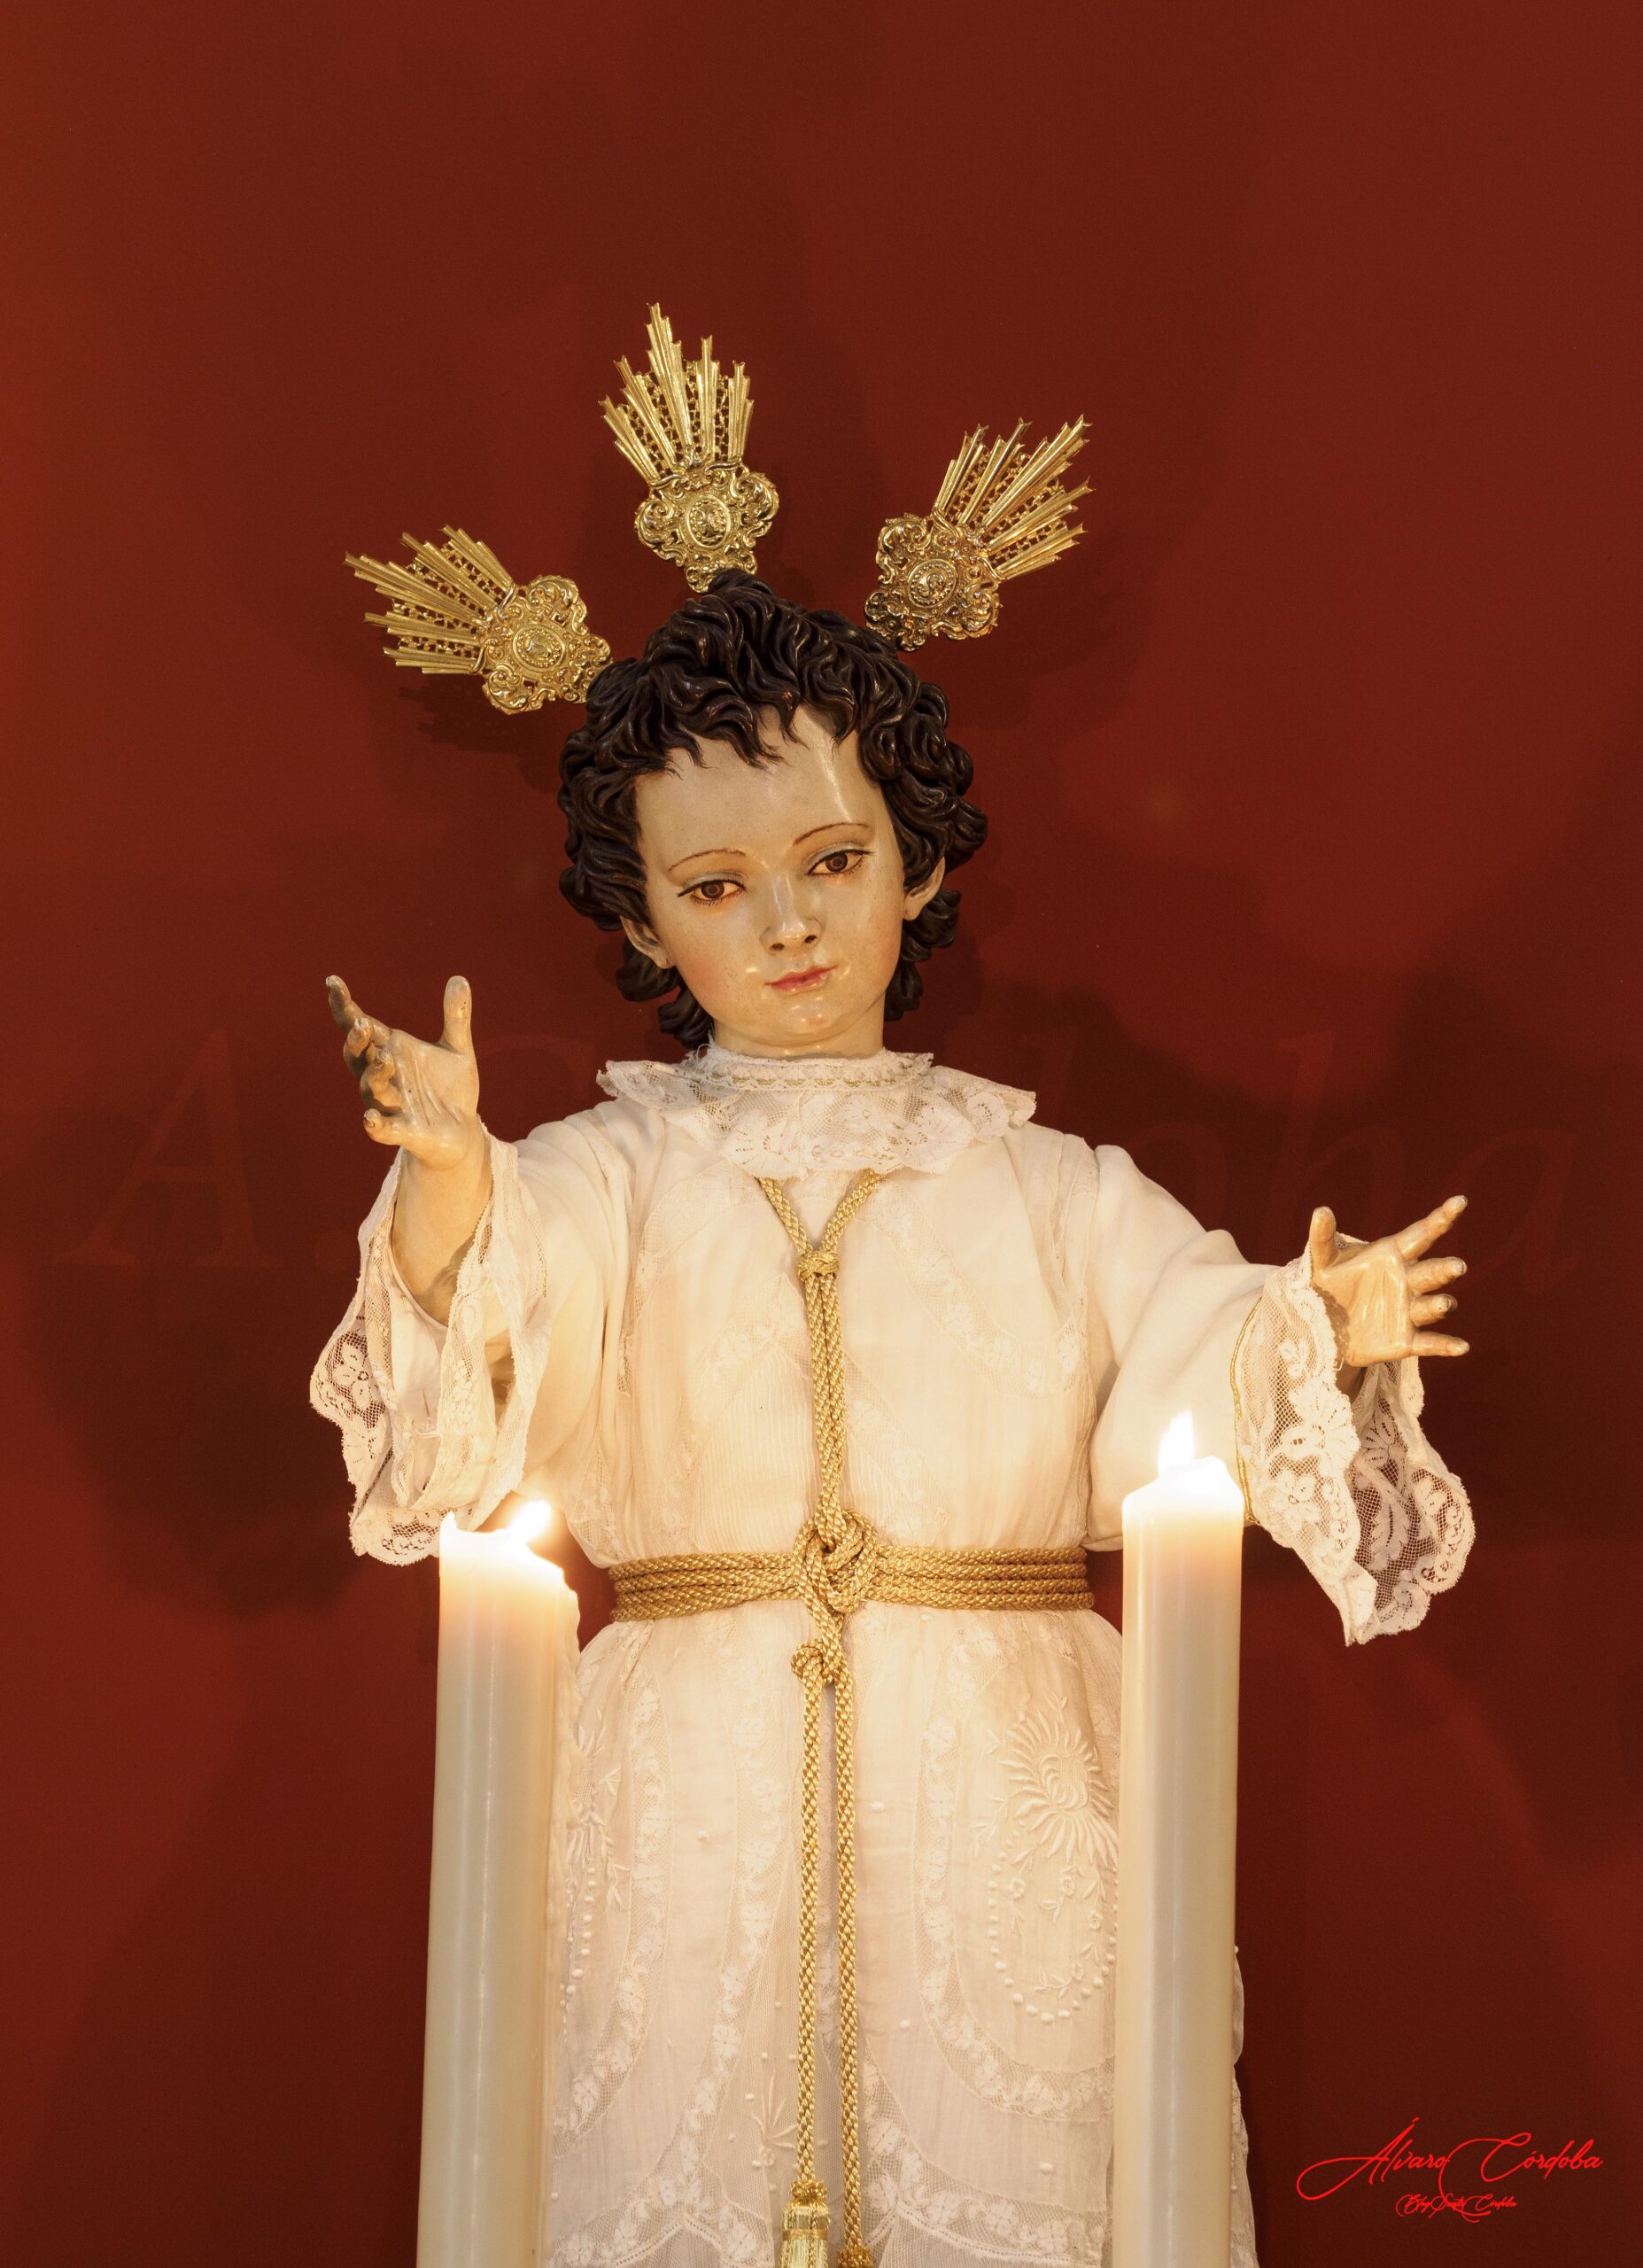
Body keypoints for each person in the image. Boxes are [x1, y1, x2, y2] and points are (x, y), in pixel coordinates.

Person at [313, 571, 1473, 2268]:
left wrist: (1314, 1323)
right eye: (718, 886)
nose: (787, 926)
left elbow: (1195, 1344)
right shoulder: (606, 1176)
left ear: (916, 863)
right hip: (687, 1810)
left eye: (833, 862)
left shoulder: (1051, 1186)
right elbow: (496, 1312)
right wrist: (446, 1183)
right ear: (642, 921)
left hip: (1002, 1803)